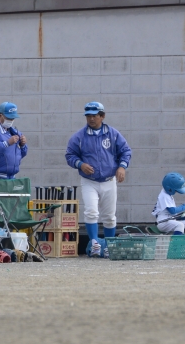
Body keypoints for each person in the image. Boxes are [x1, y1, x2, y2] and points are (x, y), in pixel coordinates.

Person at [65, 101, 131, 257]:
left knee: (109, 216)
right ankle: (94, 242)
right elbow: (70, 155)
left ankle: (108, 245)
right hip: (89, 181)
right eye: (88, 116)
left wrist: (122, 167)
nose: (91, 119)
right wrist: (80, 164)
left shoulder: (113, 134)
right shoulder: (79, 136)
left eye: (94, 116)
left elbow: (125, 151)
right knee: (91, 211)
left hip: (109, 180)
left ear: (102, 116)